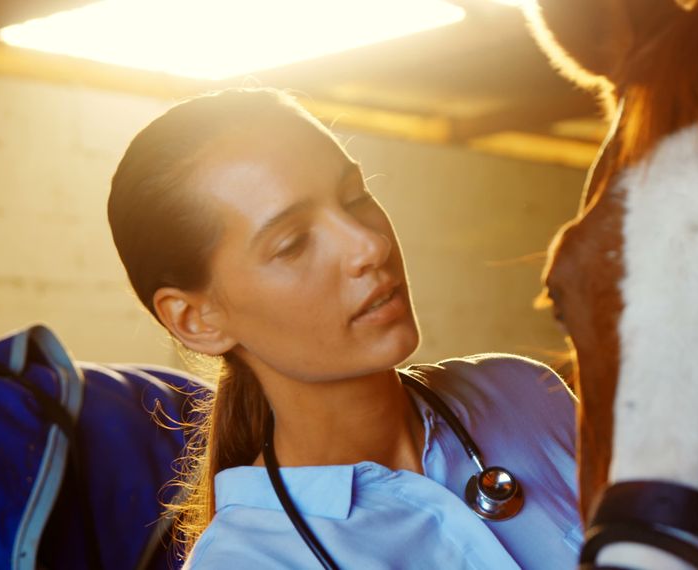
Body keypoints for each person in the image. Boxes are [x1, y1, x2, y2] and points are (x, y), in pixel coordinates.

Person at [107, 88, 581, 569]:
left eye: (356, 197)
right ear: (198, 320)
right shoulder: (246, 561)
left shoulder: (525, 394)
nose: (369, 244)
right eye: (293, 243)